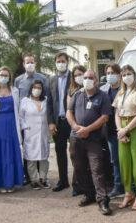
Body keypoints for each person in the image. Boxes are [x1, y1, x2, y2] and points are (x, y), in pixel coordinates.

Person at [67, 69, 113, 216]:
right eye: (85, 77)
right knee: (79, 167)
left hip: (94, 139)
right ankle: (88, 194)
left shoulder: (103, 96)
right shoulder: (78, 94)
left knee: (97, 169)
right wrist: (75, 126)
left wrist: (88, 129)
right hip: (76, 138)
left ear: (96, 80)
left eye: (90, 77)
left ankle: (102, 200)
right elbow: (69, 112)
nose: (87, 79)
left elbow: (105, 117)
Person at [113, 65, 136, 210]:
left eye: (129, 73)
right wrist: (120, 130)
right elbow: (116, 113)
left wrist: (127, 129)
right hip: (122, 127)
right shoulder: (121, 92)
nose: (126, 76)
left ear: (134, 74)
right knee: (124, 162)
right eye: (124, 74)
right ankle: (128, 193)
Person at [0, 66, 24, 193]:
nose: (3, 77)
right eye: (1, 75)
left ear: (9, 77)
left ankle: (11, 183)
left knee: (11, 151)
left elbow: (17, 108)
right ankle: (0, 183)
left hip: (12, 125)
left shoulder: (15, 91)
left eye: (6, 75)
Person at [14, 54, 49, 185]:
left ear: (35, 63)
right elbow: (16, 99)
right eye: (27, 62)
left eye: (32, 62)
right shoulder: (18, 80)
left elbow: (47, 97)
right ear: (23, 64)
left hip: (41, 124)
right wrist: (23, 125)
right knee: (28, 151)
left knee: (42, 151)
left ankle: (42, 178)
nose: (30, 64)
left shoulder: (43, 78)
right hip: (27, 122)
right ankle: (30, 178)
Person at [46, 52, 71, 192]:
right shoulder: (51, 80)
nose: (61, 63)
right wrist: (50, 122)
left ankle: (80, 182)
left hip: (72, 121)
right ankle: (63, 181)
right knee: (60, 152)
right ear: (55, 62)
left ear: (67, 62)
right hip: (58, 122)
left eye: (63, 61)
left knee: (76, 152)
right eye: (58, 61)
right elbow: (49, 102)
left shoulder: (75, 77)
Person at [20, 80, 51, 189]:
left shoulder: (46, 100)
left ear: (42, 90)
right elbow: (21, 117)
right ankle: (34, 180)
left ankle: (43, 178)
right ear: (31, 88)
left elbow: (49, 115)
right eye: (35, 87)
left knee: (44, 157)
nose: (37, 90)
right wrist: (25, 127)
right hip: (30, 133)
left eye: (39, 88)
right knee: (31, 158)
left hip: (43, 133)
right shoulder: (25, 101)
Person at [100, 63, 124, 198]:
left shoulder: (125, 89)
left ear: (119, 74)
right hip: (109, 130)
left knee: (126, 159)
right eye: (108, 73)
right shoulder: (104, 90)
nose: (110, 75)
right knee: (114, 159)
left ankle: (130, 186)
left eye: (113, 73)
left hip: (124, 129)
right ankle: (117, 185)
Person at [67, 65, 87, 197]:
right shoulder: (71, 91)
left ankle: (87, 186)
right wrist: (75, 126)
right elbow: (69, 111)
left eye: (81, 74)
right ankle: (76, 185)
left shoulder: (90, 89)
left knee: (87, 159)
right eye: (76, 75)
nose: (78, 77)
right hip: (75, 130)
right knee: (76, 159)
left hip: (89, 129)